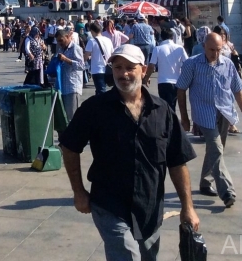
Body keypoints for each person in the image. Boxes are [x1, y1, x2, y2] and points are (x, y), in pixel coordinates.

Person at [59, 44, 199, 261]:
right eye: (117, 67)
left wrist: (187, 207)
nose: (123, 74)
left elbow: (178, 162)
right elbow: (69, 146)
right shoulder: (95, 108)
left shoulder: (162, 111)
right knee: (127, 255)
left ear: (143, 70)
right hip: (109, 204)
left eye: (129, 68)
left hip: (150, 207)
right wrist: (78, 191)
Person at [176, 33, 242, 208]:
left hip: (225, 112)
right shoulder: (192, 64)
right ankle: (227, 192)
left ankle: (205, 182)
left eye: (218, 50)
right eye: (212, 50)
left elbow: (238, 90)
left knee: (215, 151)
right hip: (204, 113)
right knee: (217, 148)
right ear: (204, 46)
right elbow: (181, 89)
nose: (215, 54)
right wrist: (185, 117)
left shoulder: (227, 64)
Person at [144, 28, 187, 111]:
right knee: (173, 105)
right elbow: (187, 63)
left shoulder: (158, 49)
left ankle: (169, 123)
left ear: (161, 37)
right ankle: (172, 122)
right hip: (177, 81)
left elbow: (151, 65)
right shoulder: (180, 48)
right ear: (172, 37)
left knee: (165, 107)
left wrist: (146, 78)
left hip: (163, 82)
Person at [51, 28, 85, 121]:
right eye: (58, 41)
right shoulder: (61, 49)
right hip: (62, 86)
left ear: (67, 37)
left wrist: (66, 59)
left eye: (61, 40)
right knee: (64, 117)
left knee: (72, 117)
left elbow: (82, 66)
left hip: (72, 86)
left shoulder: (76, 48)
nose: (60, 43)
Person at [85, 22, 113, 93]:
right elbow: (112, 53)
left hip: (97, 69)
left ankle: (102, 104)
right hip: (108, 69)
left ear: (92, 31)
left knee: (101, 91)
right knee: (104, 90)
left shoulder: (92, 41)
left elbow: (86, 56)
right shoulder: (108, 40)